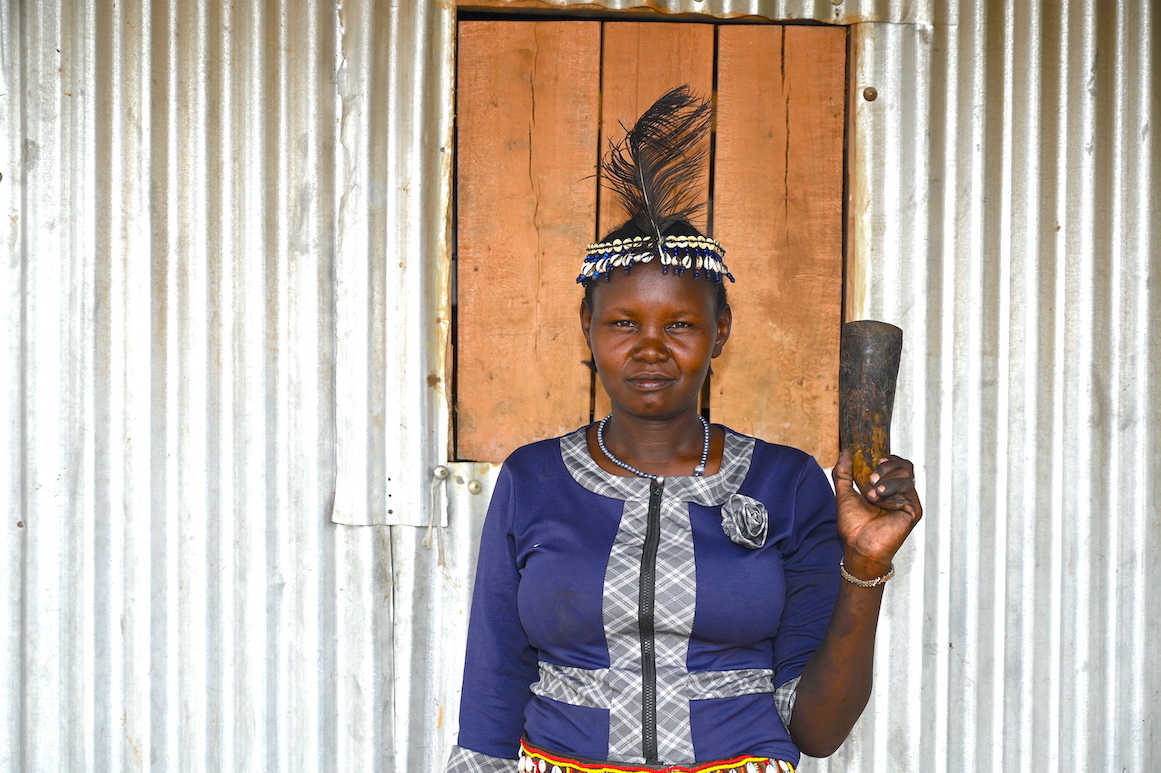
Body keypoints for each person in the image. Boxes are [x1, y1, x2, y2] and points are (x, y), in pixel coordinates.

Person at [444, 87, 922, 773]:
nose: (648, 347)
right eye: (621, 322)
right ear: (588, 329)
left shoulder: (784, 483)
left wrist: (865, 565)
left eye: (678, 324)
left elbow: (816, 728)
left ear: (717, 331)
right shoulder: (534, 478)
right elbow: (492, 682)